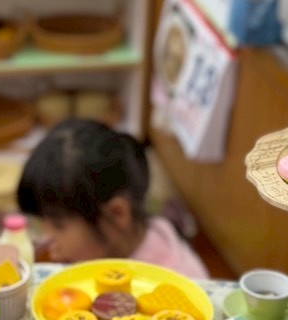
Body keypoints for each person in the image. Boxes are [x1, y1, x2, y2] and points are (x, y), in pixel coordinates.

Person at [16, 119, 209, 280]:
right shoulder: (109, 245)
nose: (47, 237)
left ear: (117, 214)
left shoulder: (174, 281)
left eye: (59, 225)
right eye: (43, 222)